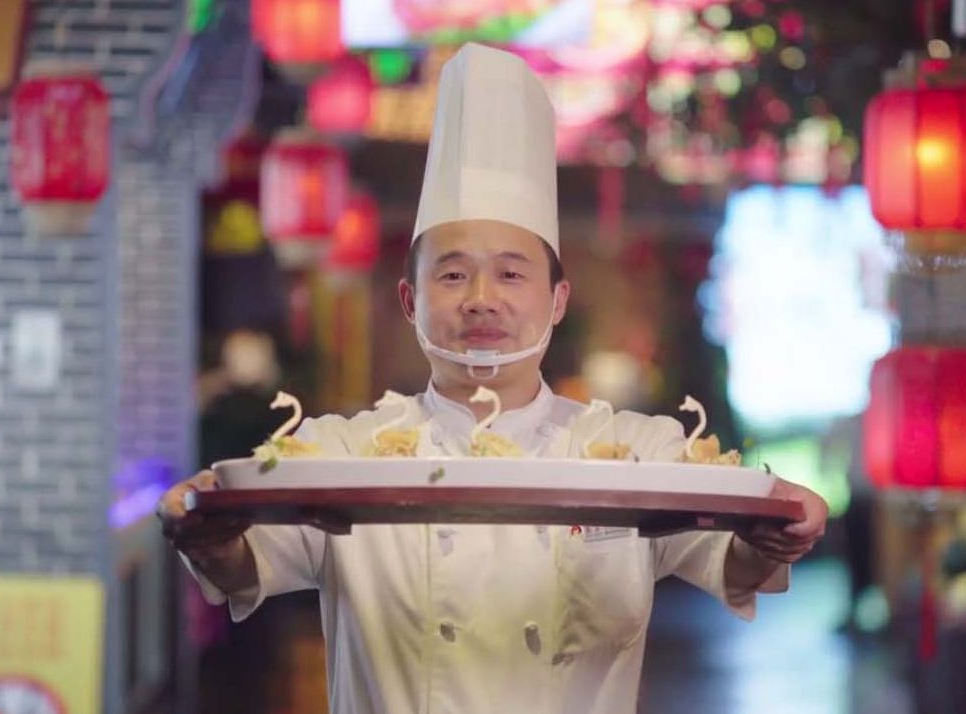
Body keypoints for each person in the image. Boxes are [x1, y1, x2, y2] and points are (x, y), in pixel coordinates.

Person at [158, 43, 828, 714]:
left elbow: (733, 560)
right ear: (410, 301)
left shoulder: (636, 453)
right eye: (452, 274)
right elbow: (242, 561)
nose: (481, 299)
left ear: (557, 301)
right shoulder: (339, 454)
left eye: (510, 273)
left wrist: (779, 532)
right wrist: (208, 534)